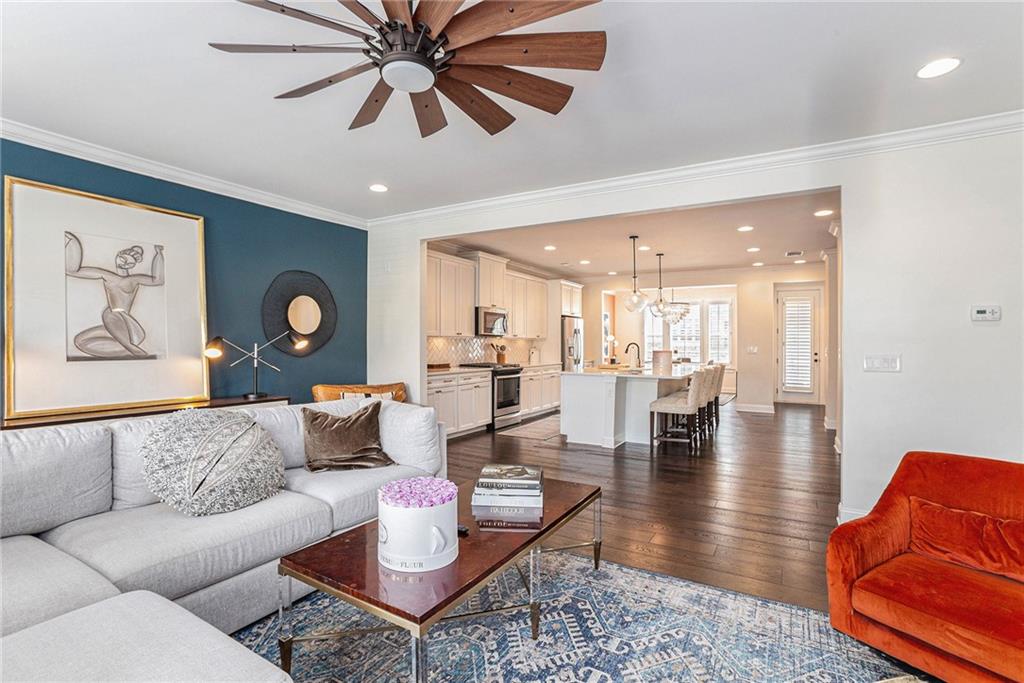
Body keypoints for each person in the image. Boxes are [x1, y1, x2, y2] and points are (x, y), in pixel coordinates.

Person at [64, 231, 164, 359]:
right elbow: (72, 270)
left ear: (132, 265)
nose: (124, 264)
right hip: (118, 330)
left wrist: (159, 254)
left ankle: (135, 351)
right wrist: (73, 242)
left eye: (129, 263)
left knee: (110, 312)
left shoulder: (132, 280)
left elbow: (158, 280)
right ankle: (129, 349)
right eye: (123, 259)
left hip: (129, 327)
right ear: (118, 256)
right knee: (80, 341)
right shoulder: (108, 277)